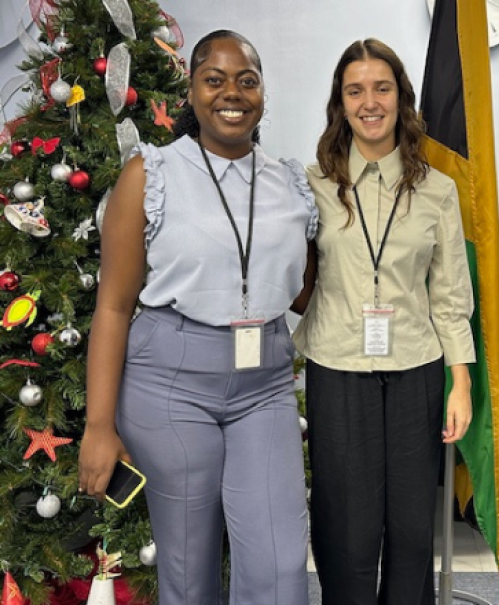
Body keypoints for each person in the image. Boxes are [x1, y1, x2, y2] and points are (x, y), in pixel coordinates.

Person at [77, 30, 314, 605]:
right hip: (169, 383)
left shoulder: (291, 183)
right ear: (192, 90)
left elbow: (308, 293)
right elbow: (113, 305)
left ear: (262, 94)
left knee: (282, 567)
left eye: (247, 80)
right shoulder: (151, 174)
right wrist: (98, 426)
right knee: (188, 569)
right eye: (215, 79)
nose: (231, 92)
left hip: (264, 385)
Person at [293, 39, 474, 604]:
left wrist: (461, 380)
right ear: (340, 104)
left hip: (416, 370)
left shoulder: (438, 191)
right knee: (346, 526)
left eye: (381, 87)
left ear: (401, 97)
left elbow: (449, 295)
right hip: (338, 369)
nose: (369, 101)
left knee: (413, 525)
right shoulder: (310, 185)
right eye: (355, 90)